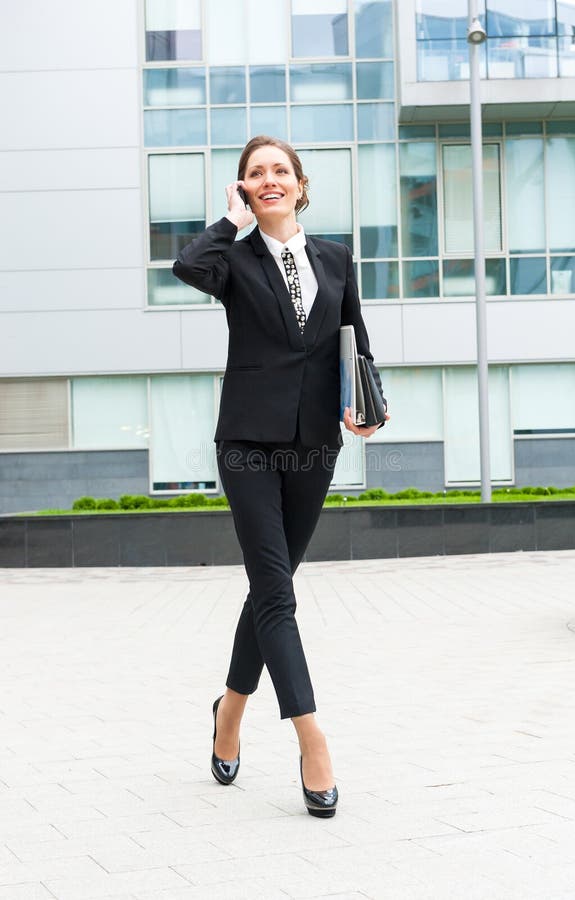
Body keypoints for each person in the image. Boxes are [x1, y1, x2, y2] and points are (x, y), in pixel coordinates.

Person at [173, 135, 388, 818]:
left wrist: (367, 407)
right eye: (254, 175)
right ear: (243, 189)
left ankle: (229, 710)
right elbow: (186, 266)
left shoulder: (334, 257)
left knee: (271, 589)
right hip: (246, 443)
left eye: (279, 172)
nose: (268, 180)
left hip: (313, 445)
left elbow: (353, 338)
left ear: (300, 184)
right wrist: (230, 222)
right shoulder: (231, 259)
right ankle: (311, 737)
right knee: (277, 596)